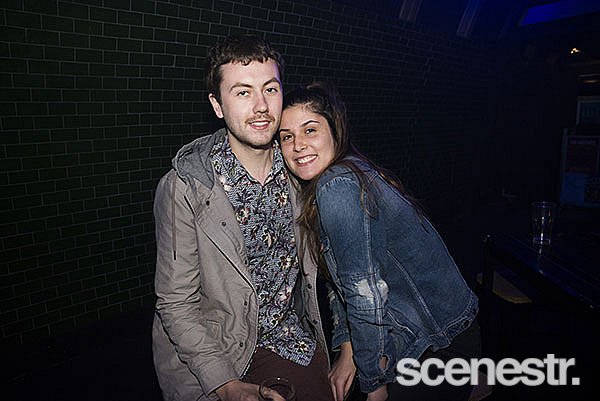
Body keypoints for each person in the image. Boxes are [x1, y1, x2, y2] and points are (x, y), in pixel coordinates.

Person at [152, 35, 333, 401]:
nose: (261, 106)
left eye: (270, 89)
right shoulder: (184, 188)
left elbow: (340, 269)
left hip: (290, 340)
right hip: (215, 354)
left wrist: (348, 345)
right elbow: (176, 303)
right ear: (217, 105)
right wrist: (226, 385)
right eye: (243, 92)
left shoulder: (301, 169)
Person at [278, 82, 481, 401]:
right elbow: (340, 279)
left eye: (310, 130)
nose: (298, 145)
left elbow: (363, 290)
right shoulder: (343, 174)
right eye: (286, 136)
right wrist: (348, 348)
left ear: (335, 132)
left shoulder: (337, 186)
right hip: (442, 328)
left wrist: (374, 382)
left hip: (439, 342)